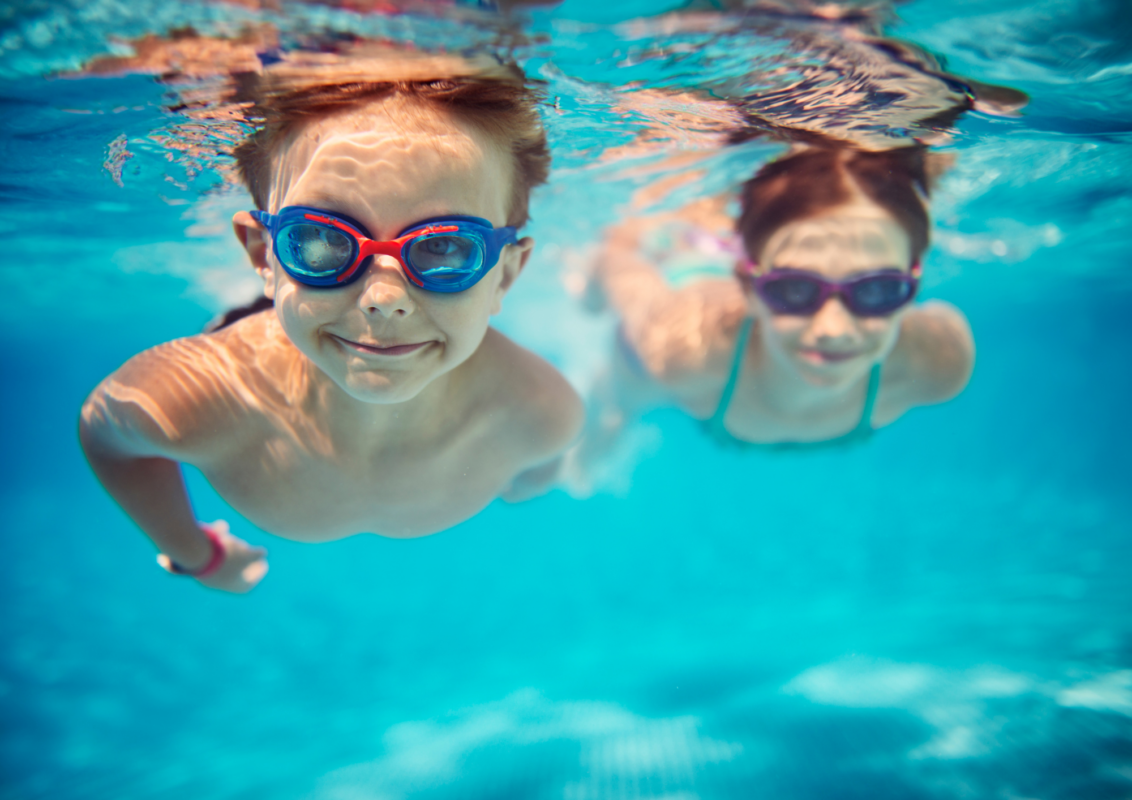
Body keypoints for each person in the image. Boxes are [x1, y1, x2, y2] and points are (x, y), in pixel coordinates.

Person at [79, 49, 583, 593]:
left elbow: (540, 468)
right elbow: (106, 437)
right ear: (262, 256)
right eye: (319, 238)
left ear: (505, 276)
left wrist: (529, 475)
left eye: (444, 248)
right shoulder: (196, 399)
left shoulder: (541, 414)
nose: (384, 298)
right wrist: (194, 554)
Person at [571, 145, 973, 483]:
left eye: (878, 289)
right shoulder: (680, 346)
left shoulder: (938, 362)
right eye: (794, 290)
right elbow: (615, 257)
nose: (834, 330)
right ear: (748, 286)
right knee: (617, 407)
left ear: (912, 285)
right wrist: (590, 298)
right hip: (690, 267)